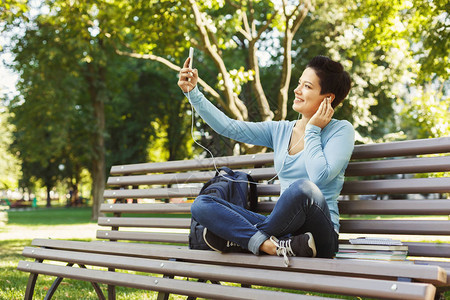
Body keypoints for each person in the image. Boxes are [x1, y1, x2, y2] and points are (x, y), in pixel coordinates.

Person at [177, 55, 354, 266]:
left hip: (321, 236)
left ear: (328, 98)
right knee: (202, 204)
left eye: (307, 86)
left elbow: (319, 176)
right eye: (299, 83)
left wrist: (313, 129)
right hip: (282, 229)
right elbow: (229, 127)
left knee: (303, 189)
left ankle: (238, 239)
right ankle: (269, 245)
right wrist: (193, 93)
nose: (297, 91)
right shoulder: (280, 130)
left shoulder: (341, 130)